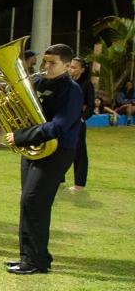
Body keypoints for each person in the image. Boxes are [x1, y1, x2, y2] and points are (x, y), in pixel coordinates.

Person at [4, 44, 83, 274]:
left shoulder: (72, 90)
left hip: (58, 151)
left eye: (52, 63)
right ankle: (30, 256)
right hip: (34, 148)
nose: (46, 66)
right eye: (44, 62)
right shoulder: (38, 82)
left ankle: (35, 261)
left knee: (34, 201)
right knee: (28, 201)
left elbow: (59, 125)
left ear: (67, 66)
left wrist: (20, 136)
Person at [66, 57, 95, 192]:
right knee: (59, 150)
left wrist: (82, 118)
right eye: (70, 66)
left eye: (74, 67)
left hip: (77, 122)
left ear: (82, 70)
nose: (71, 69)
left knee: (79, 152)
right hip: (62, 121)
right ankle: (58, 179)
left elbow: (90, 105)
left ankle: (79, 184)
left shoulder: (87, 84)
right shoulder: (66, 82)